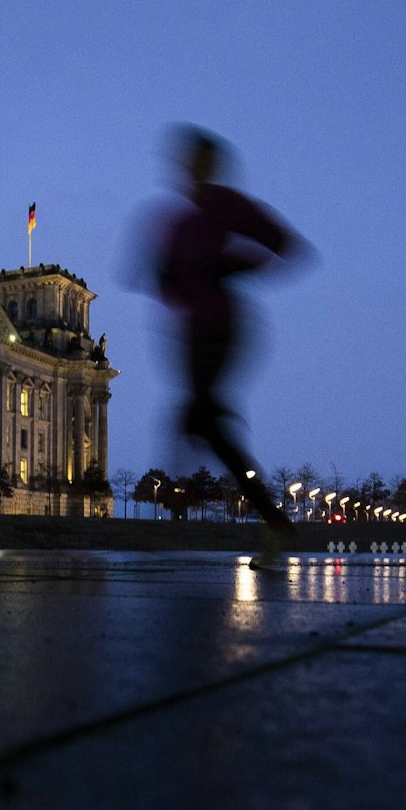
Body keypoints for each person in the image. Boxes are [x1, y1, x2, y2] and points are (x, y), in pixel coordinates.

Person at [149, 126, 311, 569]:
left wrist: (231, 267)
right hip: (189, 336)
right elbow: (168, 280)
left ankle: (268, 519)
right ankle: (271, 521)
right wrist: (167, 278)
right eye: (186, 161)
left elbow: (286, 246)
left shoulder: (225, 205)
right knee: (204, 425)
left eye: (198, 160)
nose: (189, 168)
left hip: (223, 329)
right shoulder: (178, 223)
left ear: (211, 164)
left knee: (199, 419)